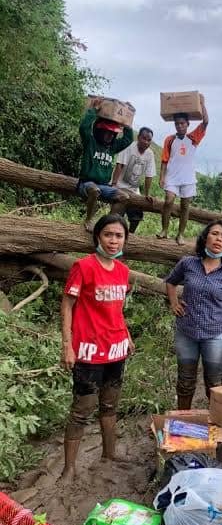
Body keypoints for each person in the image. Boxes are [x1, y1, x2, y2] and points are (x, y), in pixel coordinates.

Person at [60, 214, 134, 482]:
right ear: (98, 237)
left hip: (116, 349)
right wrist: (67, 345)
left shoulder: (124, 271)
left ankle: (109, 455)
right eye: (108, 235)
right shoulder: (84, 266)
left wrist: (126, 335)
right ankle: (69, 468)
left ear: (125, 239)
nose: (114, 241)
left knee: (110, 405)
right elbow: (67, 304)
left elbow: (117, 309)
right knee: (82, 408)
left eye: (119, 236)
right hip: (89, 350)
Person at [165, 220, 222, 408]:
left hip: (215, 335)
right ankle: (182, 421)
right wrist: (174, 302)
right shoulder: (188, 263)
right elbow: (171, 282)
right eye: (214, 234)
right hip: (186, 332)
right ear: (205, 237)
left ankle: (217, 422)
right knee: (185, 381)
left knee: (214, 383)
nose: (218, 239)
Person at [157, 95, 209, 245]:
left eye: (182, 123)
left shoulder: (193, 138)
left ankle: (180, 234)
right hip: (172, 177)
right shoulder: (169, 139)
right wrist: (162, 177)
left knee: (185, 206)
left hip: (188, 178)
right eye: (177, 124)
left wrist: (202, 104)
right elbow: (164, 160)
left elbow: (205, 122)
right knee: (168, 201)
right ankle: (164, 230)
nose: (179, 126)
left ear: (187, 124)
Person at [78, 99, 134, 232]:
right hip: (86, 184)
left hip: (104, 186)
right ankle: (88, 220)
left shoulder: (113, 147)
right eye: (107, 132)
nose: (110, 136)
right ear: (99, 130)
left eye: (113, 133)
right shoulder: (90, 142)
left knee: (124, 197)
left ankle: (108, 225)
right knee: (94, 190)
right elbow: (83, 128)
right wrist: (93, 110)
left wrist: (127, 120)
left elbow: (128, 139)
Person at [110, 126, 157, 233]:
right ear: (138, 137)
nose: (146, 142)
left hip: (134, 191)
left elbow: (149, 175)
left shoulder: (149, 154)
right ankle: (113, 232)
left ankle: (130, 237)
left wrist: (147, 194)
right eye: (144, 138)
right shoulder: (129, 146)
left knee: (136, 215)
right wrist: (114, 184)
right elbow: (119, 165)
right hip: (121, 186)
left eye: (149, 140)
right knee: (116, 215)